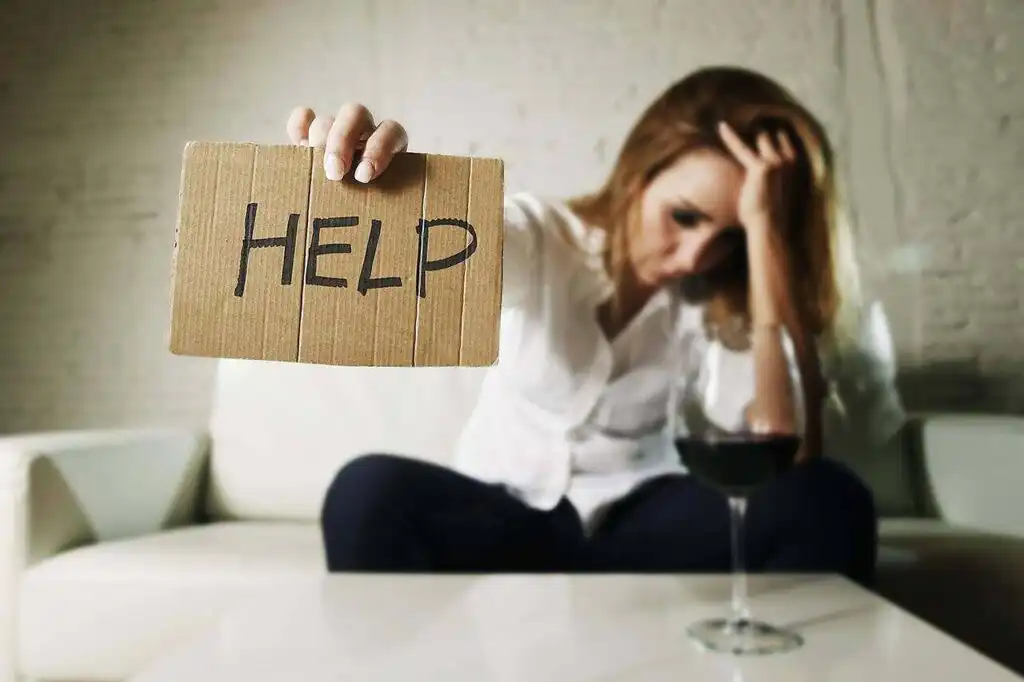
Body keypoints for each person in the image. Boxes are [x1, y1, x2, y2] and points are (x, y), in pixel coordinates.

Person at [286, 66, 906, 586]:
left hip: (641, 529)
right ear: (639, 175)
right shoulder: (545, 238)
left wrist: (769, 244)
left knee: (826, 496)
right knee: (368, 489)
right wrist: (366, 184)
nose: (695, 258)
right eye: (684, 216)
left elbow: (785, 453)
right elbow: (460, 243)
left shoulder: (725, 301)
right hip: (501, 516)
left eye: (732, 238)